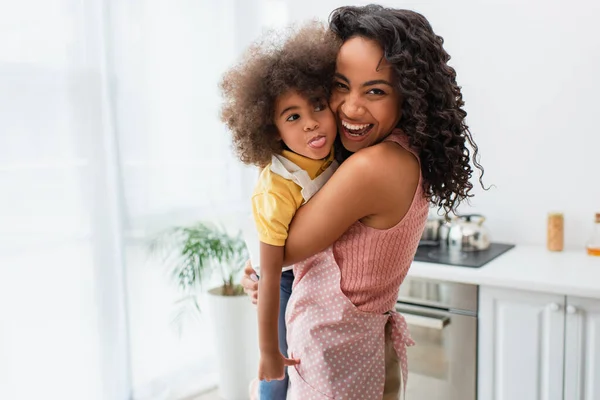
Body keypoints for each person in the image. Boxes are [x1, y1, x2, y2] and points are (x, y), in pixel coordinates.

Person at [241, 4, 485, 399]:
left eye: (375, 91)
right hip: (347, 353)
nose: (351, 108)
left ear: (408, 96)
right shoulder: (398, 150)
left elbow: (281, 249)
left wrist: (258, 267)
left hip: (331, 359)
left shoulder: (375, 165)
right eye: (340, 85)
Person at [220, 22, 341, 400]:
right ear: (272, 133)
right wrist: (268, 351)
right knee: (279, 371)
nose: (311, 122)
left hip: (312, 269)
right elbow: (269, 276)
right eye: (293, 117)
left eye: (318, 106)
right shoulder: (277, 188)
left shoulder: (335, 150)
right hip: (280, 277)